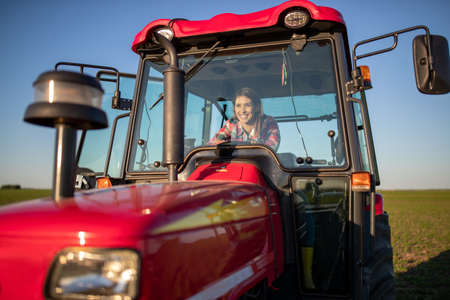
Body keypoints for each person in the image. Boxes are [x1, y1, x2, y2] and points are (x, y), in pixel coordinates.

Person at [209, 87, 280, 151]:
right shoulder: (231, 124)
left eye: (247, 105)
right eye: (238, 105)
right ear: (234, 108)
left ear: (257, 107)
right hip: (235, 164)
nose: (242, 110)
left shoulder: (268, 122)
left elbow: (271, 148)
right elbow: (212, 144)